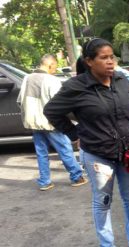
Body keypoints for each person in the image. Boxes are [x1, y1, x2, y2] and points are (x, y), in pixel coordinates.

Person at [43, 38, 129, 247]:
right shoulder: (76, 87)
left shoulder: (121, 80)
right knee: (103, 202)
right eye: (104, 58)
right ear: (89, 61)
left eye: (112, 57)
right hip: (98, 155)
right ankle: (107, 245)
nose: (110, 62)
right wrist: (75, 134)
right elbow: (51, 111)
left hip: (128, 153)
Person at [17, 54, 87, 191]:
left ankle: (44, 182)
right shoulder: (51, 80)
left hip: (33, 123)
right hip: (51, 123)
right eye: (55, 66)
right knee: (64, 149)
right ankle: (76, 177)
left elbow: (20, 102)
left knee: (41, 153)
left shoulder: (26, 78)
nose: (56, 69)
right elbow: (60, 105)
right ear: (50, 65)